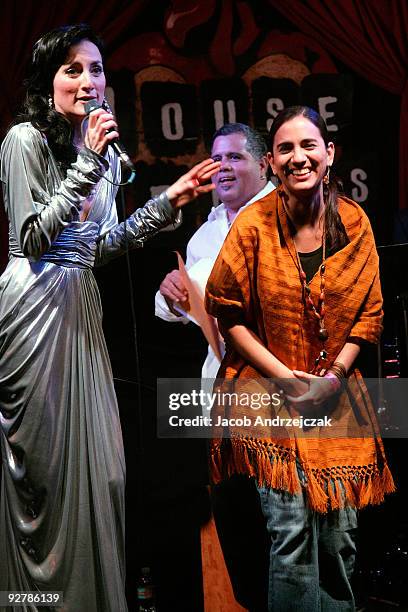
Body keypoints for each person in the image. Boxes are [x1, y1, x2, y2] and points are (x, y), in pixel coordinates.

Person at [0, 24, 219, 612]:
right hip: (34, 313)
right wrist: (90, 162)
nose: (88, 80)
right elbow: (34, 237)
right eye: (72, 69)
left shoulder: (98, 155)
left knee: (105, 477)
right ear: (48, 82)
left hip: (84, 309)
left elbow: (97, 246)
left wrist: (164, 204)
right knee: (42, 478)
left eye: (96, 69)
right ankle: (32, 599)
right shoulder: (23, 140)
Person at [206, 106, 395, 611]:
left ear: (329, 154)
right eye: (285, 148)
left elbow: (368, 317)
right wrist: (286, 377)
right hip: (270, 396)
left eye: (309, 145)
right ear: (270, 162)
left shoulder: (354, 223)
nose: (298, 157)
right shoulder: (253, 226)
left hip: (338, 399)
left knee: (340, 542)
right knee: (291, 539)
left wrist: (331, 378)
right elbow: (226, 312)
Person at [155, 123, 274, 610]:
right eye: (217, 158)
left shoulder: (281, 216)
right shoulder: (205, 233)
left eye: (235, 158)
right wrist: (170, 293)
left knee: (281, 527)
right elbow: (178, 306)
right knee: (237, 519)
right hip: (220, 400)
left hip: (276, 396)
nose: (223, 167)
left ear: (264, 165)